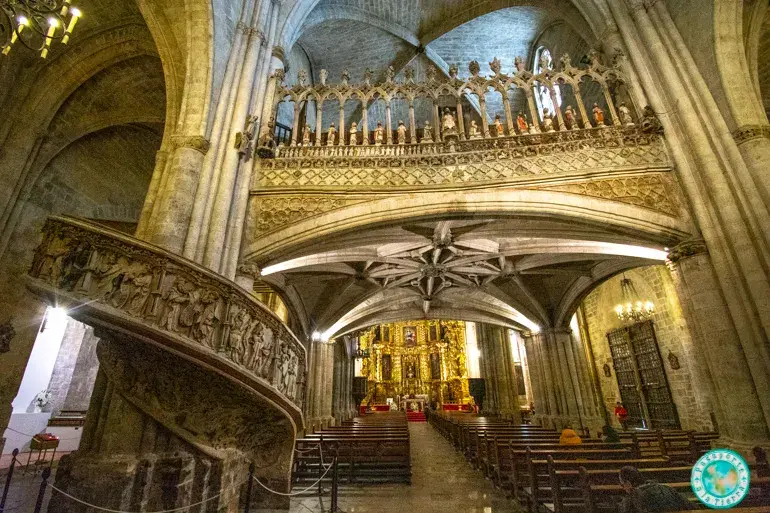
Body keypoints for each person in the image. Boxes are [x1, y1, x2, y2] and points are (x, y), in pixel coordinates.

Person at [619, 466, 693, 512]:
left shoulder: (630, 499)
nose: (623, 488)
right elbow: (691, 507)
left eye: (622, 485)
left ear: (628, 483)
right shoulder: (666, 488)